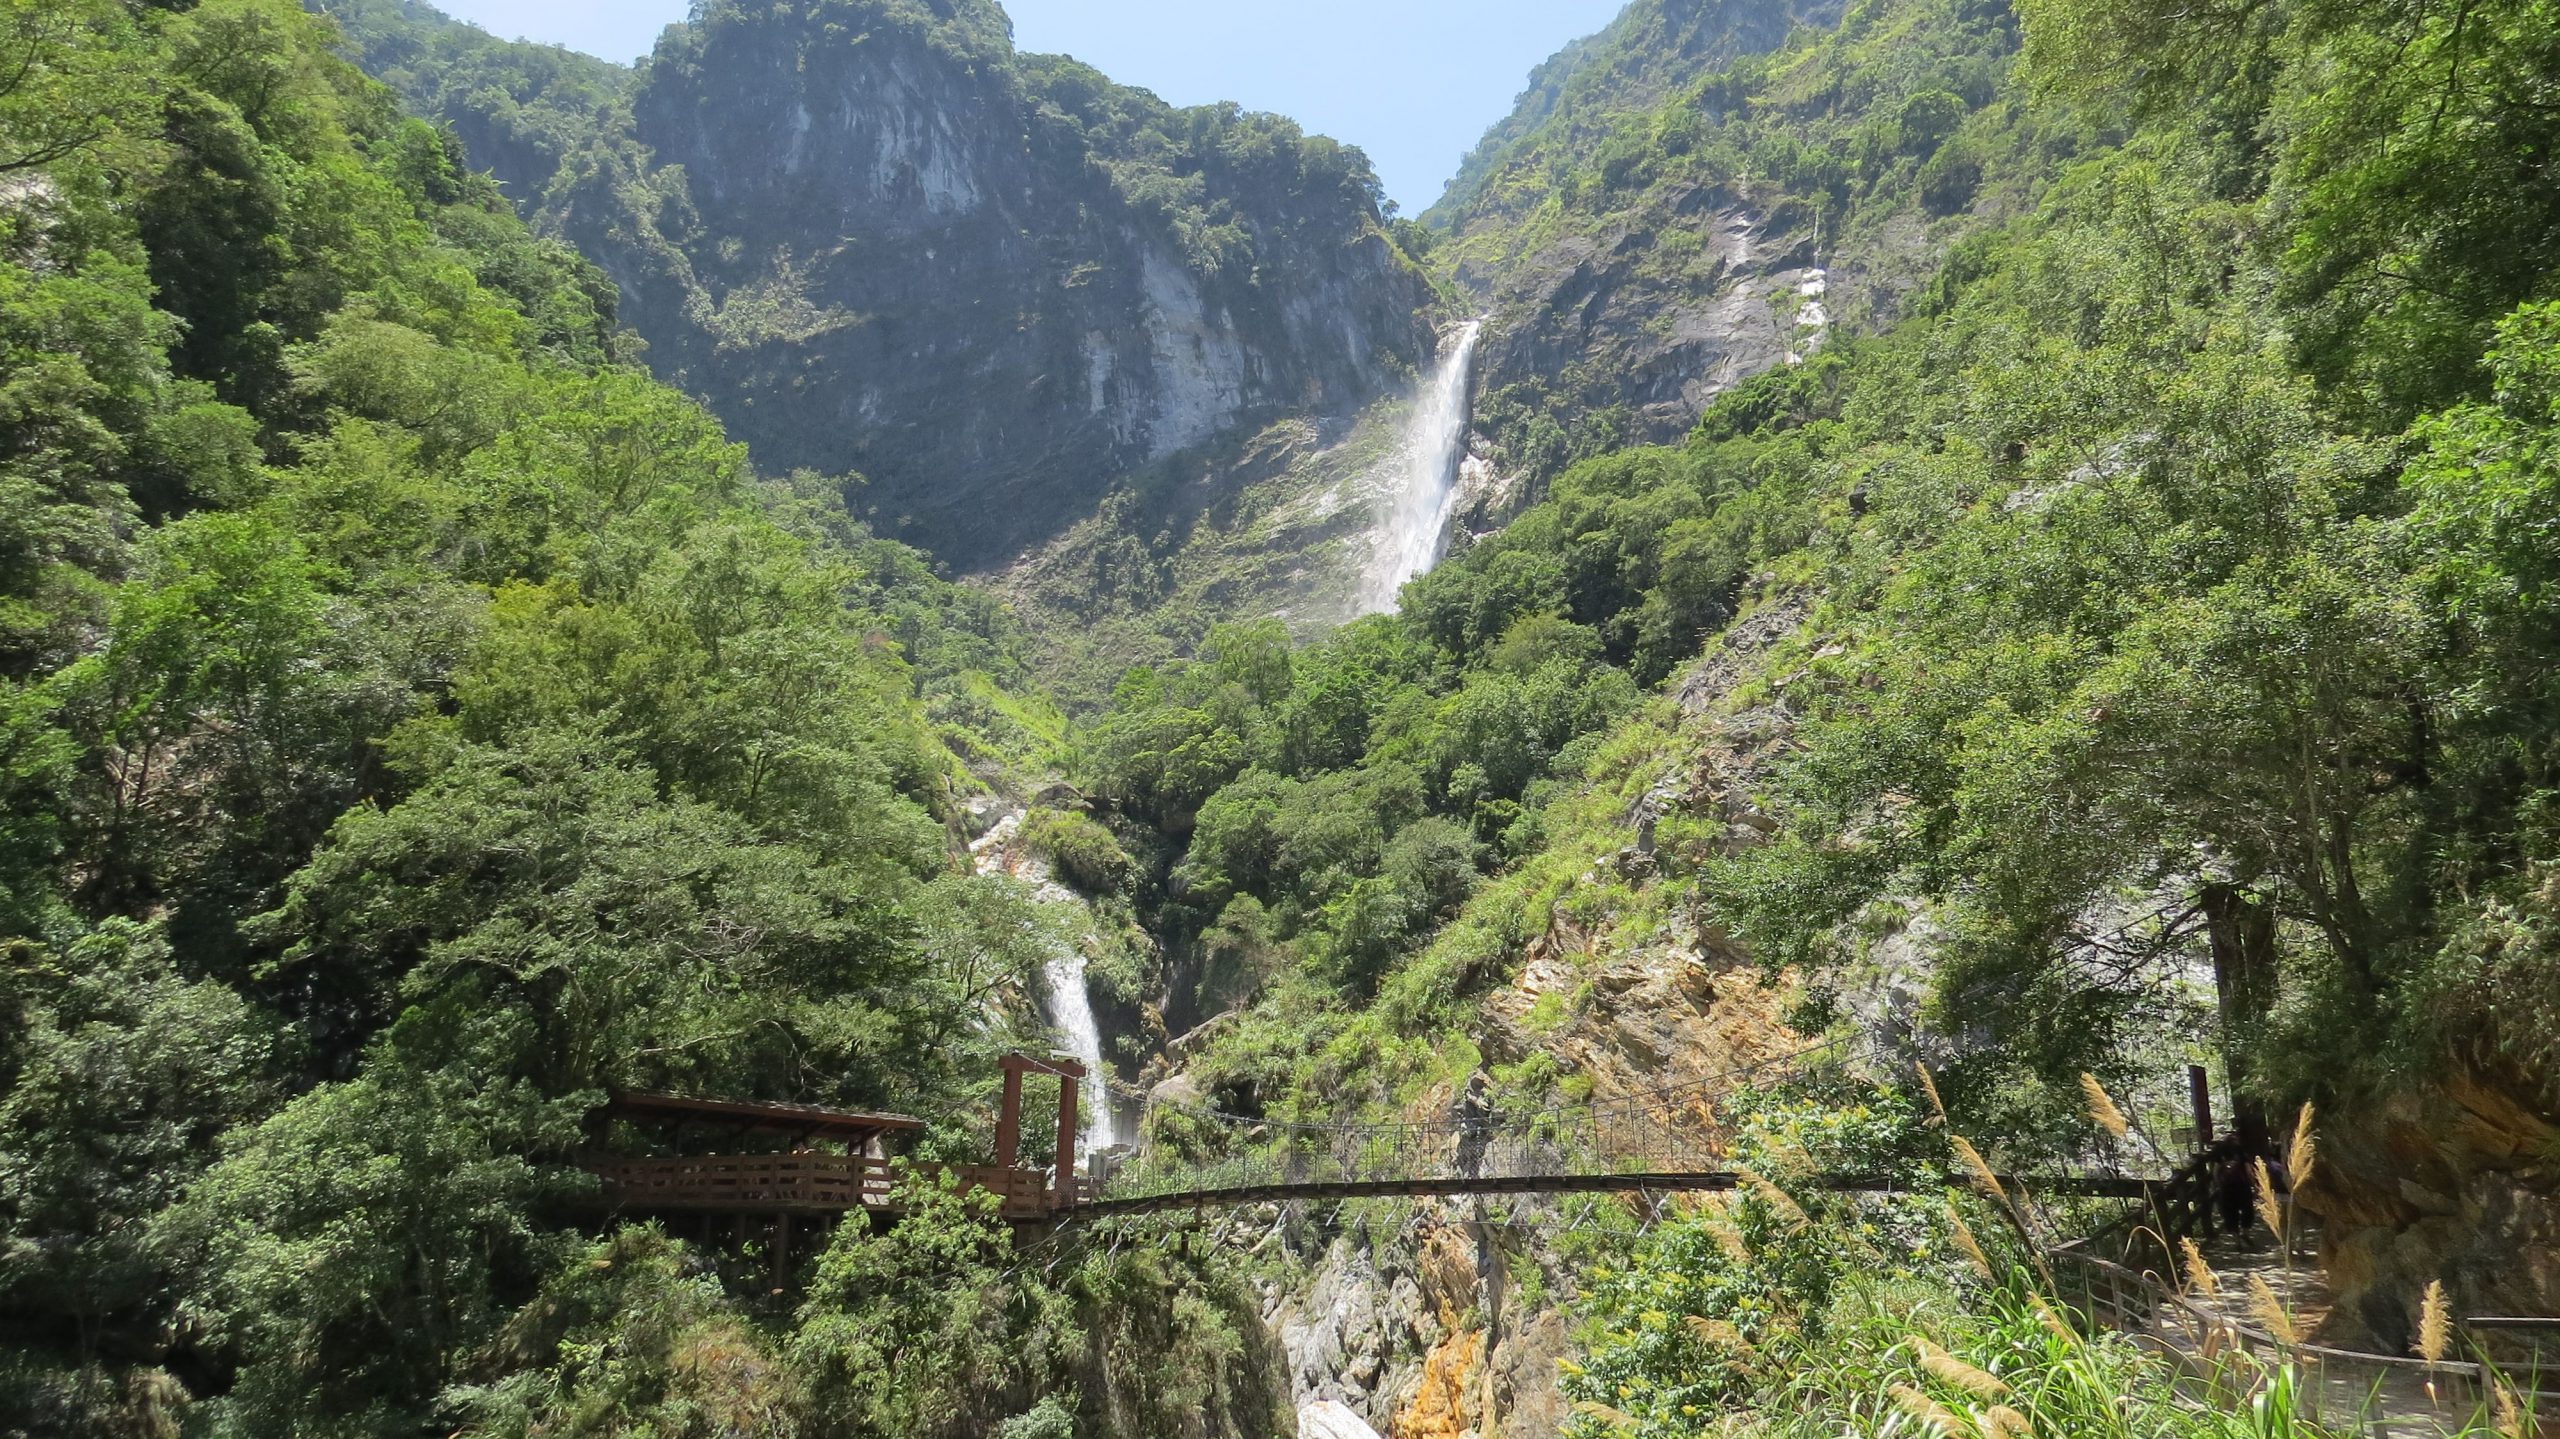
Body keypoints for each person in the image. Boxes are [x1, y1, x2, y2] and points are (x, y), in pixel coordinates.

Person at [1454, 1071, 1493, 1180]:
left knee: (1475, 1141)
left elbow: (1485, 1107)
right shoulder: (1469, 1093)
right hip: (1469, 1123)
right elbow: (1465, 1104)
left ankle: (1473, 1167)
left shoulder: (1484, 1093)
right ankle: (1464, 1167)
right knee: (1466, 1134)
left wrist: (1474, 1100)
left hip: (1479, 1124)